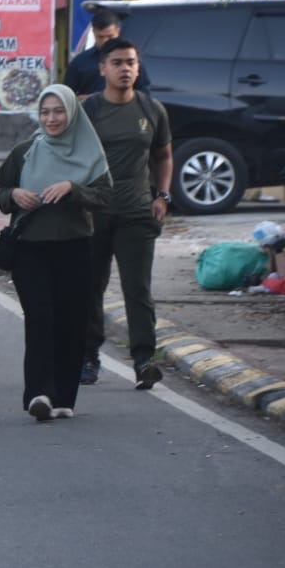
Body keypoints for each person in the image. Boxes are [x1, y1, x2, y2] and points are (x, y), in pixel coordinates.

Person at [0, 84, 112, 421]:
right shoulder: (25, 151)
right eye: (45, 112)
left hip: (76, 246)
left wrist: (73, 189)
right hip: (31, 247)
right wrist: (15, 194)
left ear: (72, 113)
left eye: (58, 111)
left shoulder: (91, 153)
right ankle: (38, 394)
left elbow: (106, 197)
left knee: (72, 321)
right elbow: (0, 189)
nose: (51, 118)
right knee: (40, 319)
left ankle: (64, 397)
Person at [80, 37, 172, 388]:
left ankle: (144, 359)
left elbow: (163, 156)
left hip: (137, 212)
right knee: (90, 286)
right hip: (94, 213)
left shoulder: (152, 110)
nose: (125, 69)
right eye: (117, 62)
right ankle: (88, 355)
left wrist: (162, 195)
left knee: (138, 289)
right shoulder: (90, 111)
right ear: (102, 68)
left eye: (131, 62)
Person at [63, 8, 151, 97]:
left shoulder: (130, 60)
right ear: (93, 32)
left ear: (118, 31)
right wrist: (80, 100)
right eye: (100, 37)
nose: (105, 41)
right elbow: (66, 96)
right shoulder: (80, 62)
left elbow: (144, 92)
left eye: (110, 36)